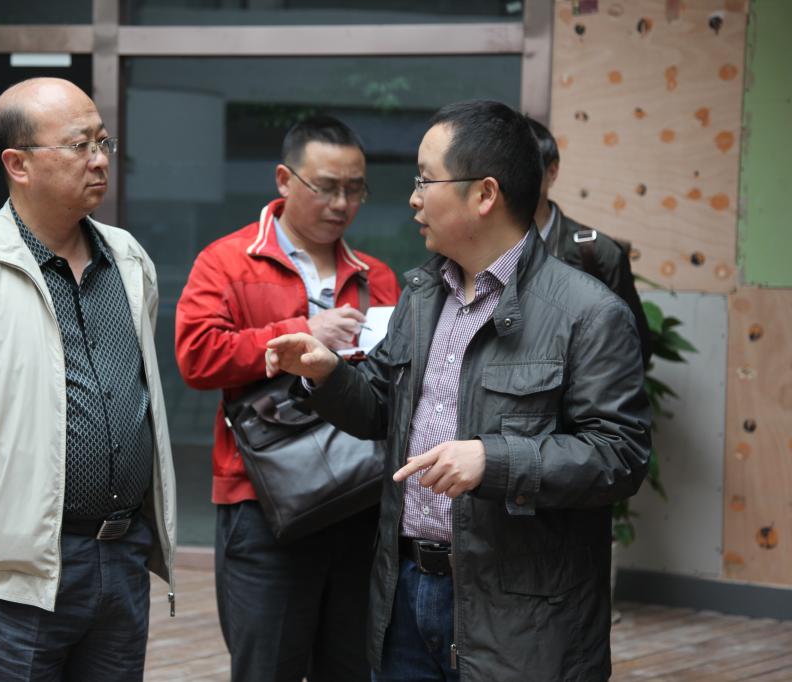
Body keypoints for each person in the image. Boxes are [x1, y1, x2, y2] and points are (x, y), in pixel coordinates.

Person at [265, 101, 651, 681]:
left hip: (520, 614)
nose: (413, 198)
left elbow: (620, 457)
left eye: (426, 179)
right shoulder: (423, 296)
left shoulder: (588, 313)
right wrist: (327, 374)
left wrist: (494, 460)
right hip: (405, 594)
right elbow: (381, 409)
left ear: (484, 194)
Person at [0, 77, 176, 681]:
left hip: (122, 554)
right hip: (16, 568)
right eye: (78, 145)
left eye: (103, 142)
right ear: (18, 164)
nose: (99, 160)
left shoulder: (128, 259)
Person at [174, 116, 400, 681]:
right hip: (262, 502)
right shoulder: (227, 261)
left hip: (359, 498)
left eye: (355, 189)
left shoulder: (377, 276)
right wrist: (300, 332)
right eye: (326, 187)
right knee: (266, 667)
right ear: (284, 179)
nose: (341, 203)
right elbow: (196, 356)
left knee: (352, 667)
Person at [527, 116, 652, 367]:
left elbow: (635, 348)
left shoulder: (596, 252)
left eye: (525, 167)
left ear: (552, 172)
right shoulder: (482, 249)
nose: (513, 178)